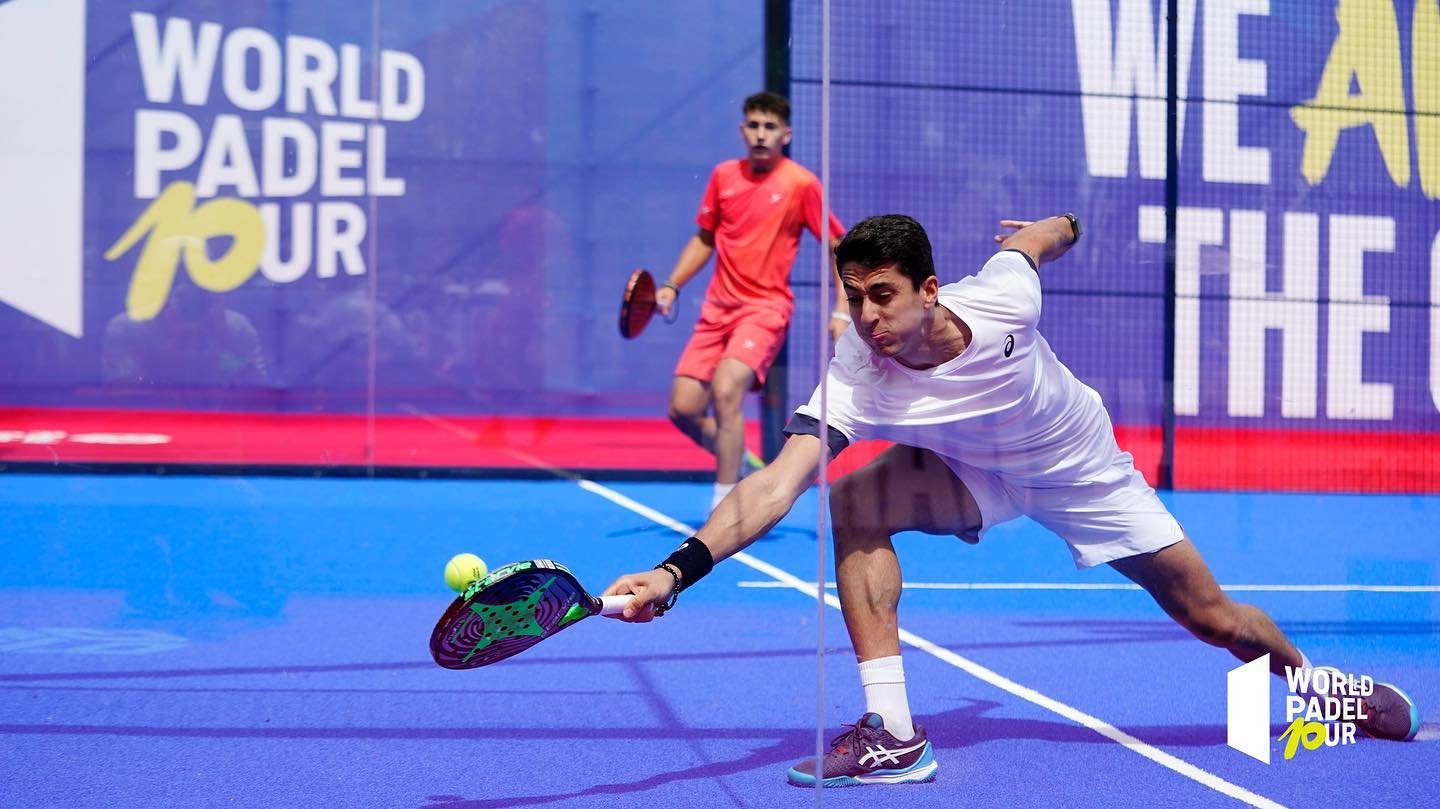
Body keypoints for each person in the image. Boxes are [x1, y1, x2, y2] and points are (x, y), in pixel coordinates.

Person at [604, 214, 1422, 786]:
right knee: (851, 500)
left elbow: (1041, 240)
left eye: (882, 294)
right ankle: (893, 732)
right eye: (853, 296)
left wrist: (1060, 220)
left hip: (1080, 469)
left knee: (1214, 618)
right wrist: (676, 571)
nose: (866, 315)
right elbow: (775, 485)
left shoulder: (1003, 299)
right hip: (970, 471)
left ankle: (1322, 691)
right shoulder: (857, 370)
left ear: (929, 288)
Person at [658, 91, 849, 513]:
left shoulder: (801, 184)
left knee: (728, 392)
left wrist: (841, 308)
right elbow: (705, 237)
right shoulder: (724, 176)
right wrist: (672, 283)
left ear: (786, 134)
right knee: (683, 408)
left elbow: (838, 243)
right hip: (716, 311)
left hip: (765, 310)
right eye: (754, 126)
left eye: (770, 127)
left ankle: (726, 506)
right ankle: (740, 456)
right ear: (744, 130)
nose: (761, 135)